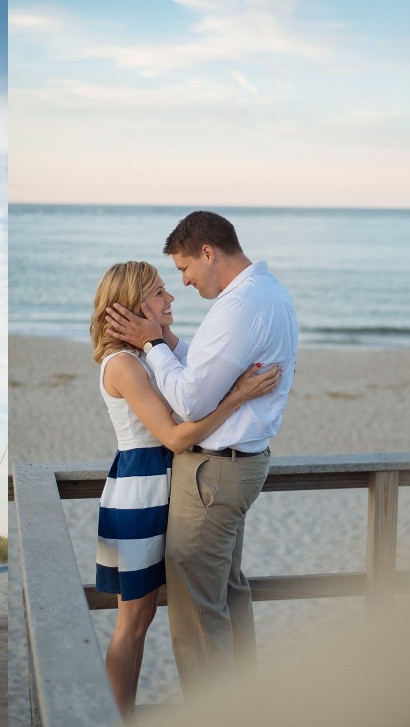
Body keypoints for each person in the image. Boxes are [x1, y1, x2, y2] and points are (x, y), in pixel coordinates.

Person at [106, 211, 298, 698]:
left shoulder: (236, 308)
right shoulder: (268, 292)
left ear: (208, 253)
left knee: (196, 615)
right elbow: (209, 376)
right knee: (227, 595)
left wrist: (152, 342)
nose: (183, 283)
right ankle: (242, 717)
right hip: (233, 466)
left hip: (213, 471)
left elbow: (190, 400)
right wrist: (166, 342)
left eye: (184, 268)